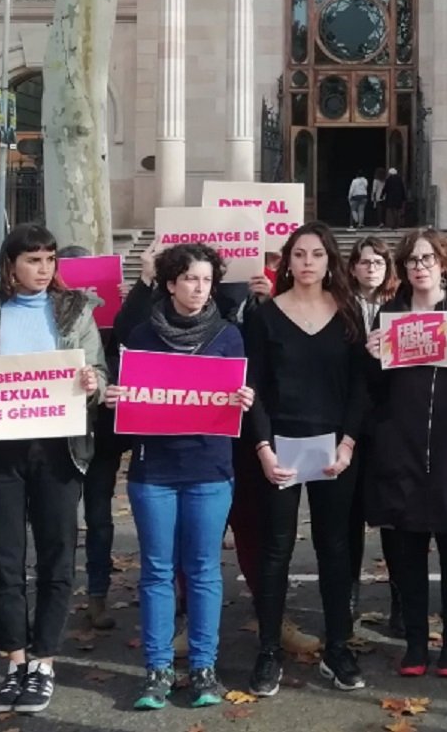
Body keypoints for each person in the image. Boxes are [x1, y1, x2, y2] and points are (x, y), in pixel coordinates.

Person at [0, 224, 107, 717]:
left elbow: (99, 373)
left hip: (58, 450)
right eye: (34, 260)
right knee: (5, 559)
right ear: (10, 265)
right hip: (0, 455)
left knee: (58, 555)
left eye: (50, 260)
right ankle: (15, 659)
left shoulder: (76, 312)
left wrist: (91, 380)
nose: (44, 269)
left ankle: (44, 661)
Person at [104, 243, 255, 711]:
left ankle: (204, 667)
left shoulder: (229, 336)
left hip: (209, 468)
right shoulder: (142, 334)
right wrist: (116, 398)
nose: (199, 288)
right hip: (155, 472)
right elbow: (123, 389)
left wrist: (243, 401)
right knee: (157, 572)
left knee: (205, 569)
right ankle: (158, 669)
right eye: (190, 278)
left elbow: (235, 396)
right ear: (170, 283)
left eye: (207, 280)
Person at [244, 223, 371, 697]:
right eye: (299, 254)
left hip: (335, 451)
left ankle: (337, 647)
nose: (308, 262)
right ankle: (268, 651)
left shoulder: (348, 312)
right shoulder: (266, 316)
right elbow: (252, 387)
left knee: (334, 547)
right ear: (287, 261)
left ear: (329, 260)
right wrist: (262, 447)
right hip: (280, 448)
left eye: (317, 254)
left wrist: (348, 443)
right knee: (275, 551)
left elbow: (361, 385)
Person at [364, 228, 447, 679]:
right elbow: (375, 388)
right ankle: (416, 643)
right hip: (401, 451)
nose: (420, 267)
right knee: (406, 552)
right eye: (412, 261)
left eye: (427, 259)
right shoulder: (390, 313)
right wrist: (372, 356)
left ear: (443, 263)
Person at [53, 244, 124, 634]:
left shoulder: (114, 319)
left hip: (100, 436)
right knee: (61, 521)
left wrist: (138, 295)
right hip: (60, 435)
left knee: (99, 518)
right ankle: (59, 594)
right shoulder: (51, 319)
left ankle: (98, 595)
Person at [346, 236, 398, 629]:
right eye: (364, 262)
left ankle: (400, 595)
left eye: (378, 261)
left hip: (391, 420)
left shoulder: (401, 307)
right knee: (349, 515)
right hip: (352, 419)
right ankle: (347, 594)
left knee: (393, 514)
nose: (371, 268)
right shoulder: (341, 307)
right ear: (352, 268)